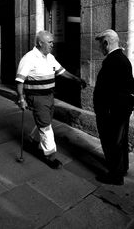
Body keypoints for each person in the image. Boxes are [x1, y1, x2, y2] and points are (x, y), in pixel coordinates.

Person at [15, 30, 86, 169]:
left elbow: (62, 72)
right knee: (46, 127)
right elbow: (19, 81)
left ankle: (34, 139)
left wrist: (76, 79)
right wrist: (21, 99)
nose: (53, 45)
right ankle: (50, 157)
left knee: (45, 121)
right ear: (41, 43)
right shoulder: (29, 58)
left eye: (52, 42)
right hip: (37, 98)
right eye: (50, 42)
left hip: (49, 96)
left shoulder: (50, 57)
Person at [93, 29, 134, 185]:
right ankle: (122, 167)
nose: (100, 49)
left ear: (106, 43)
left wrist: (104, 110)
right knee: (120, 140)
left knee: (111, 142)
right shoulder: (122, 59)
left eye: (100, 45)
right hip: (121, 110)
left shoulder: (112, 60)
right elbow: (130, 86)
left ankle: (115, 175)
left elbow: (108, 90)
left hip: (111, 111)